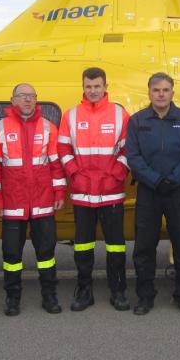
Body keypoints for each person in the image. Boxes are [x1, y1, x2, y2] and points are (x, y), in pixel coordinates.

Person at [0, 83, 66, 316]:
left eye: (31, 96)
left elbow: (56, 166)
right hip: (13, 204)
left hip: (43, 203)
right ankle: (13, 299)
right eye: (22, 96)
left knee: (47, 255)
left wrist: (60, 193)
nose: (28, 100)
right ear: (12, 101)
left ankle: (49, 296)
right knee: (12, 255)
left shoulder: (49, 127)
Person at [125, 73, 180, 315]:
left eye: (165, 90)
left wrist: (174, 179)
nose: (161, 94)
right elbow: (133, 157)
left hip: (176, 192)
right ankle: (145, 297)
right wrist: (155, 180)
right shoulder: (137, 121)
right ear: (149, 92)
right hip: (149, 192)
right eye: (156, 90)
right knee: (144, 247)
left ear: (172, 93)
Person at [58, 67, 131, 311]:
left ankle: (118, 290)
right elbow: (63, 150)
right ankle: (84, 291)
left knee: (116, 245)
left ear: (105, 87)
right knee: (83, 245)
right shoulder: (70, 116)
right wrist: (75, 175)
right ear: (83, 87)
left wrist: (116, 176)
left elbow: (128, 150)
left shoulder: (120, 115)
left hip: (111, 192)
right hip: (82, 193)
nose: (93, 91)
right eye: (88, 86)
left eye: (97, 86)